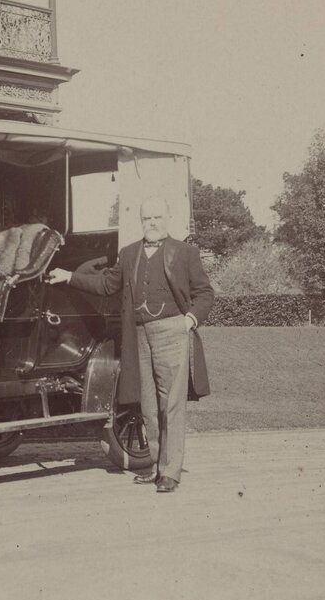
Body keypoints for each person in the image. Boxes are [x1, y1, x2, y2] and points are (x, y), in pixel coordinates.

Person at [47, 197, 214, 493]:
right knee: (148, 406)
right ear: (141, 221)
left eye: (157, 217)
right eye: (146, 218)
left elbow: (204, 293)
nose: (152, 223)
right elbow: (106, 285)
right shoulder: (130, 253)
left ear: (168, 218)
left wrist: (189, 320)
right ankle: (154, 465)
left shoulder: (186, 252)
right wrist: (69, 276)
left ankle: (170, 472)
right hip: (138, 335)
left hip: (172, 331)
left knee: (170, 405)